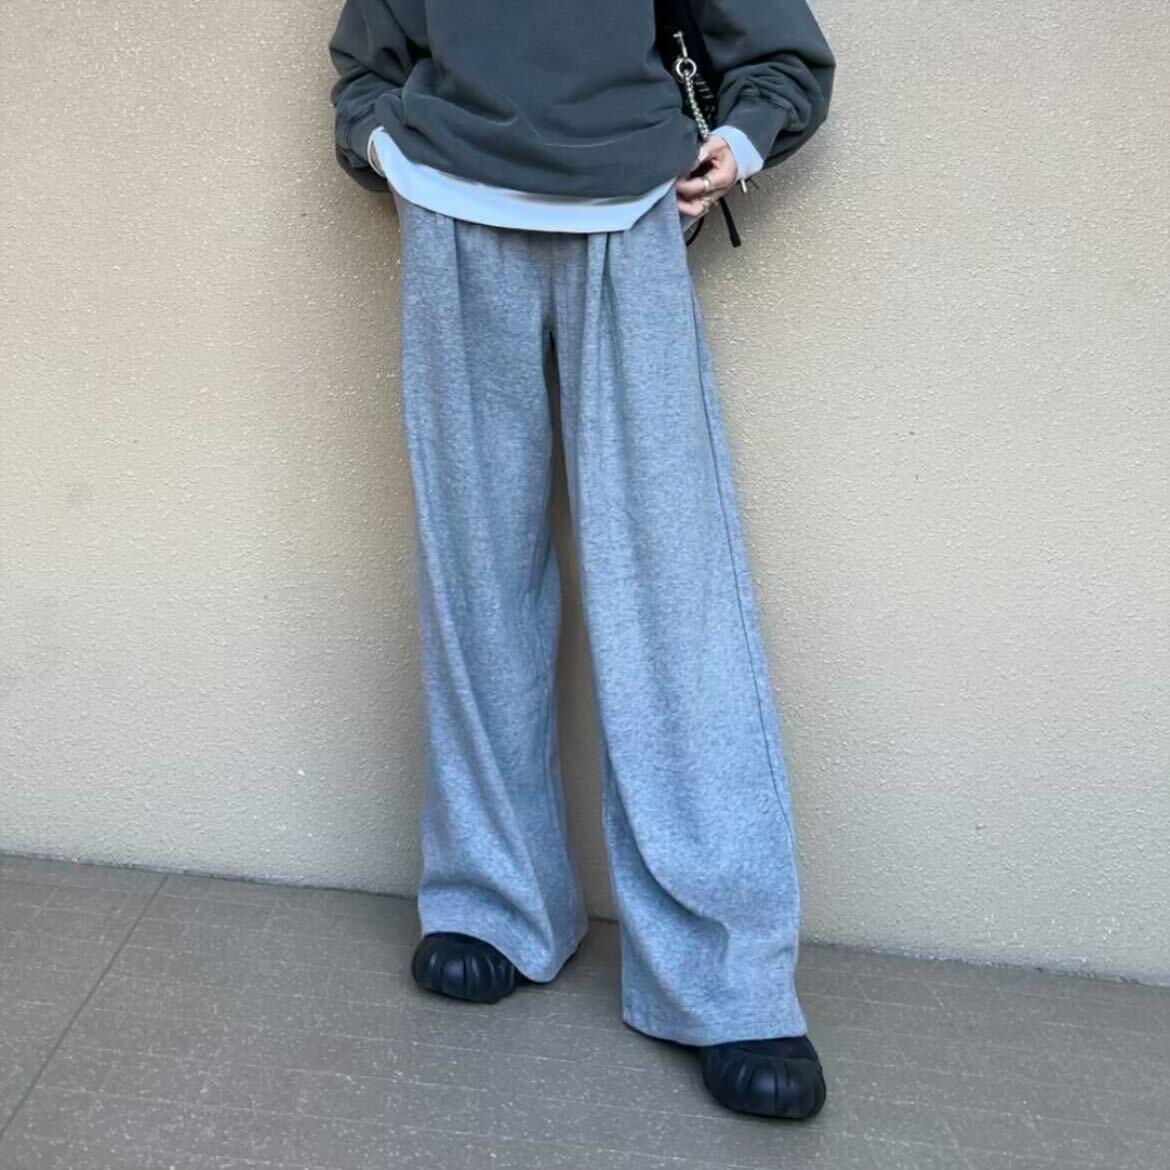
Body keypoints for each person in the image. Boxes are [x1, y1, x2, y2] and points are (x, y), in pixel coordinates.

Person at [328, 0, 835, 1120]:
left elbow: (780, 54)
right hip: (452, 212)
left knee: (672, 588)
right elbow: (366, 65)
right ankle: (492, 899)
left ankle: (725, 972)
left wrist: (744, 138)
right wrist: (387, 149)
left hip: (630, 206)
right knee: (476, 578)